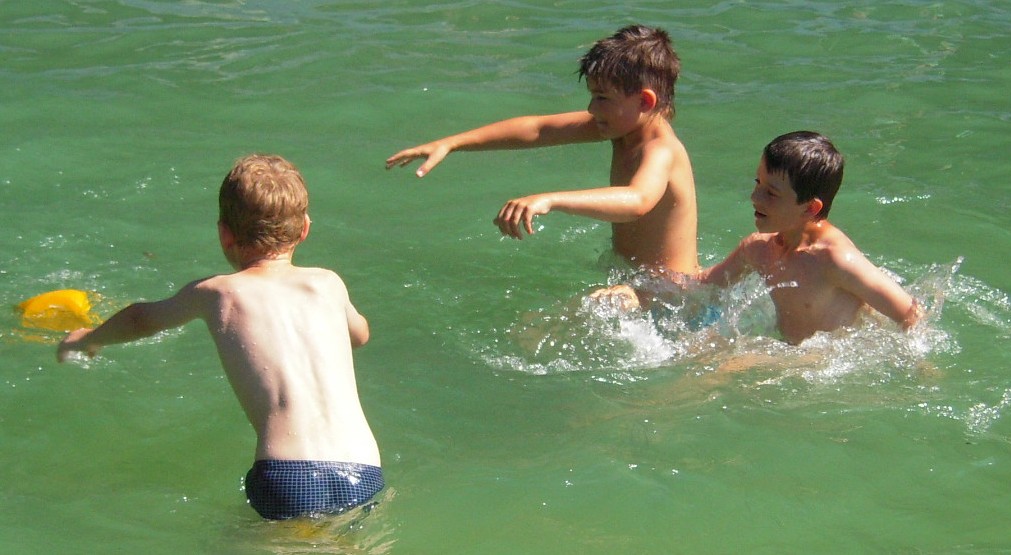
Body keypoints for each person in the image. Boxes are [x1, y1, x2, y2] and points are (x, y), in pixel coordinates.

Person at [56, 155, 383, 520]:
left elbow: (140, 319)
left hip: (287, 475)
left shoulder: (218, 293)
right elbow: (361, 334)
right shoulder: (328, 284)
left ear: (225, 234)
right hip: (363, 470)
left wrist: (88, 338)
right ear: (305, 229)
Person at [385, 24, 699, 282]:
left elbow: (638, 201)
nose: (591, 108)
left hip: (672, 292)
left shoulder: (661, 150)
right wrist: (452, 143)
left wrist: (550, 199)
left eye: (602, 98)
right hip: (638, 281)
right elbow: (538, 129)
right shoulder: (623, 129)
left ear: (644, 101)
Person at [697, 131, 922, 344]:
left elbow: (910, 313)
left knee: (726, 361)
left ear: (810, 208)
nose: (755, 197)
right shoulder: (758, 249)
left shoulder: (834, 259)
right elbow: (703, 286)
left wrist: (919, 364)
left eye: (771, 193)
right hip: (790, 353)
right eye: (758, 182)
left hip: (828, 358)